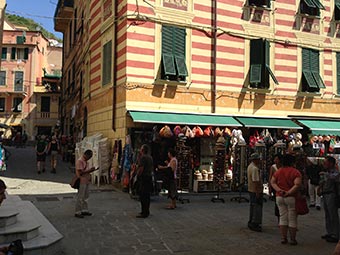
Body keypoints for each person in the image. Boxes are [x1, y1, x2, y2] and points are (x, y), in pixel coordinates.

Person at [270, 154, 302, 245]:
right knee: (292, 218)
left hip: (279, 197)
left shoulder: (278, 171)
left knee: (283, 217)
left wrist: (279, 190)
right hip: (291, 197)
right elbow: (297, 184)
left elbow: (272, 182)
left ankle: (283, 238)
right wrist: (289, 192)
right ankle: (292, 239)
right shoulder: (295, 172)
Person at [319, 156, 339, 243]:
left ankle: (336, 234)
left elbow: (334, 178)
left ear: (331, 163)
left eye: (325, 162)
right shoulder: (327, 172)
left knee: (333, 214)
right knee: (328, 214)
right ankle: (330, 232)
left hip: (332, 194)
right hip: (325, 194)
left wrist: (325, 175)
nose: (324, 164)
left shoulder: (335, 172)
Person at [75, 150, 96, 218]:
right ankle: (78, 211)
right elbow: (80, 172)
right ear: (86, 155)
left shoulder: (86, 161)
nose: (90, 158)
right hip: (82, 180)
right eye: (90, 156)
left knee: (86, 196)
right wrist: (90, 170)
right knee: (80, 196)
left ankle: (84, 210)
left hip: (86, 180)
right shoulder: (80, 161)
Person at [247, 152, 263, 232]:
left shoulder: (250, 166)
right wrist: (257, 192)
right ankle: (254, 223)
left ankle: (251, 221)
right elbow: (256, 181)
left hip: (251, 189)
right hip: (255, 190)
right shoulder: (255, 169)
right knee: (257, 207)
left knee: (253, 206)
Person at [136, 144, 153, 218]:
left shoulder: (143, 158)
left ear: (142, 150)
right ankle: (147, 211)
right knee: (147, 195)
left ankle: (144, 212)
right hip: (149, 177)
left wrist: (138, 175)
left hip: (144, 177)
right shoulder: (150, 157)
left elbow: (141, 168)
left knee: (143, 195)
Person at [269, 154, 283, 221]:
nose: (275, 160)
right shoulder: (273, 167)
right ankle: (279, 218)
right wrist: (270, 187)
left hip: (283, 186)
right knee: (277, 203)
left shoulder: (283, 167)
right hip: (276, 187)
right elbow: (270, 177)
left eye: (276, 159)